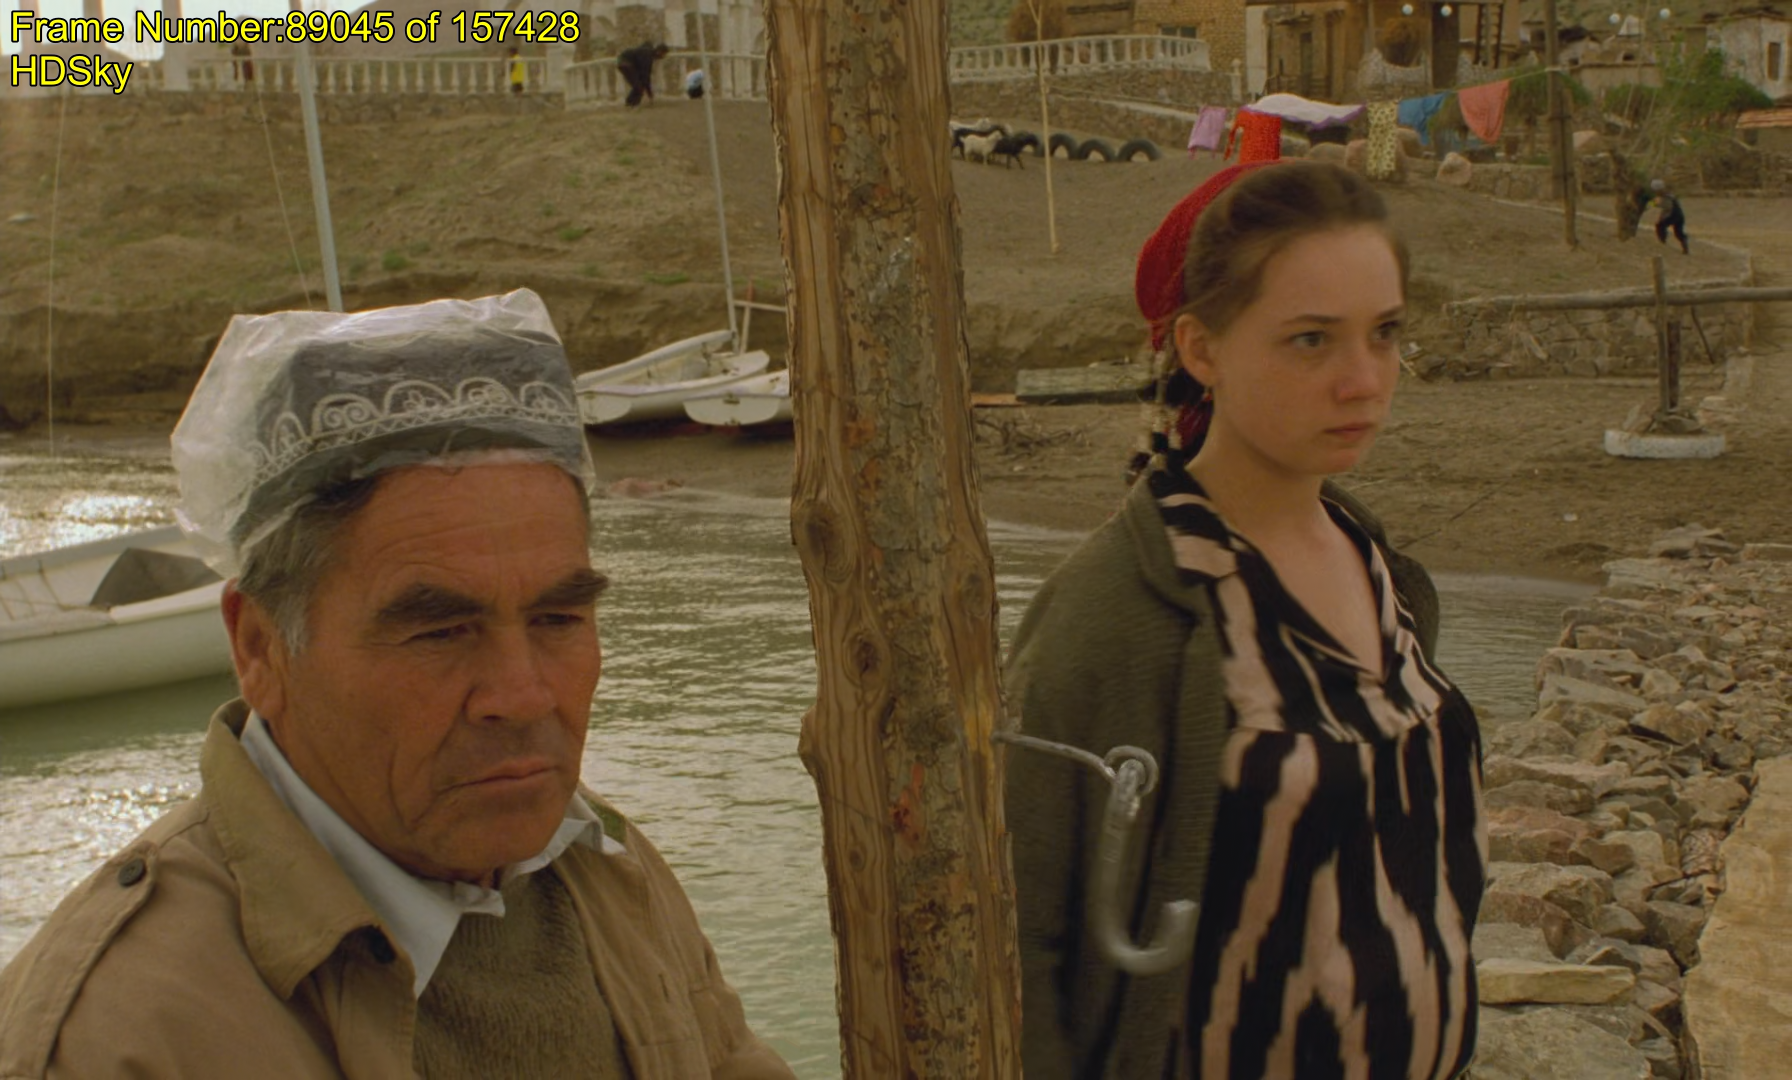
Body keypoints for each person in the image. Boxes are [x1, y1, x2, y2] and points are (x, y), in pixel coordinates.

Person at [0, 291, 796, 1079]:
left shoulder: (605, 868)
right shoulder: (116, 1040)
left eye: (558, 619)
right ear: (260, 648)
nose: (523, 697)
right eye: (440, 633)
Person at [1006, 162, 1485, 1080]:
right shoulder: (1113, 616)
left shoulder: (1383, 570)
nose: (1364, 381)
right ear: (1202, 349)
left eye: (1385, 333)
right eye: (1311, 340)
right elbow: (1022, 945)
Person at [618, 41, 671, 107]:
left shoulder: (647, 53)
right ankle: (631, 104)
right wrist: (649, 93)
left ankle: (631, 103)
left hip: (623, 62)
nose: (663, 57)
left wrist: (648, 91)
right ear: (659, 51)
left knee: (639, 85)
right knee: (639, 86)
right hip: (625, 63)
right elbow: (645, 75)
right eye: (663, 54)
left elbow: (644, 74)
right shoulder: (647, 56)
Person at [1651, 178, 1690, 255]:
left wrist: (1662, 217)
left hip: (1673, 214)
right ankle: (1685, 247)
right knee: (1678, 232)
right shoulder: (1669, 194)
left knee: (1660, 226)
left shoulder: (1665, 196)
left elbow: (1667, 207)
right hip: (1680, 214)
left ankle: (1662, 243)